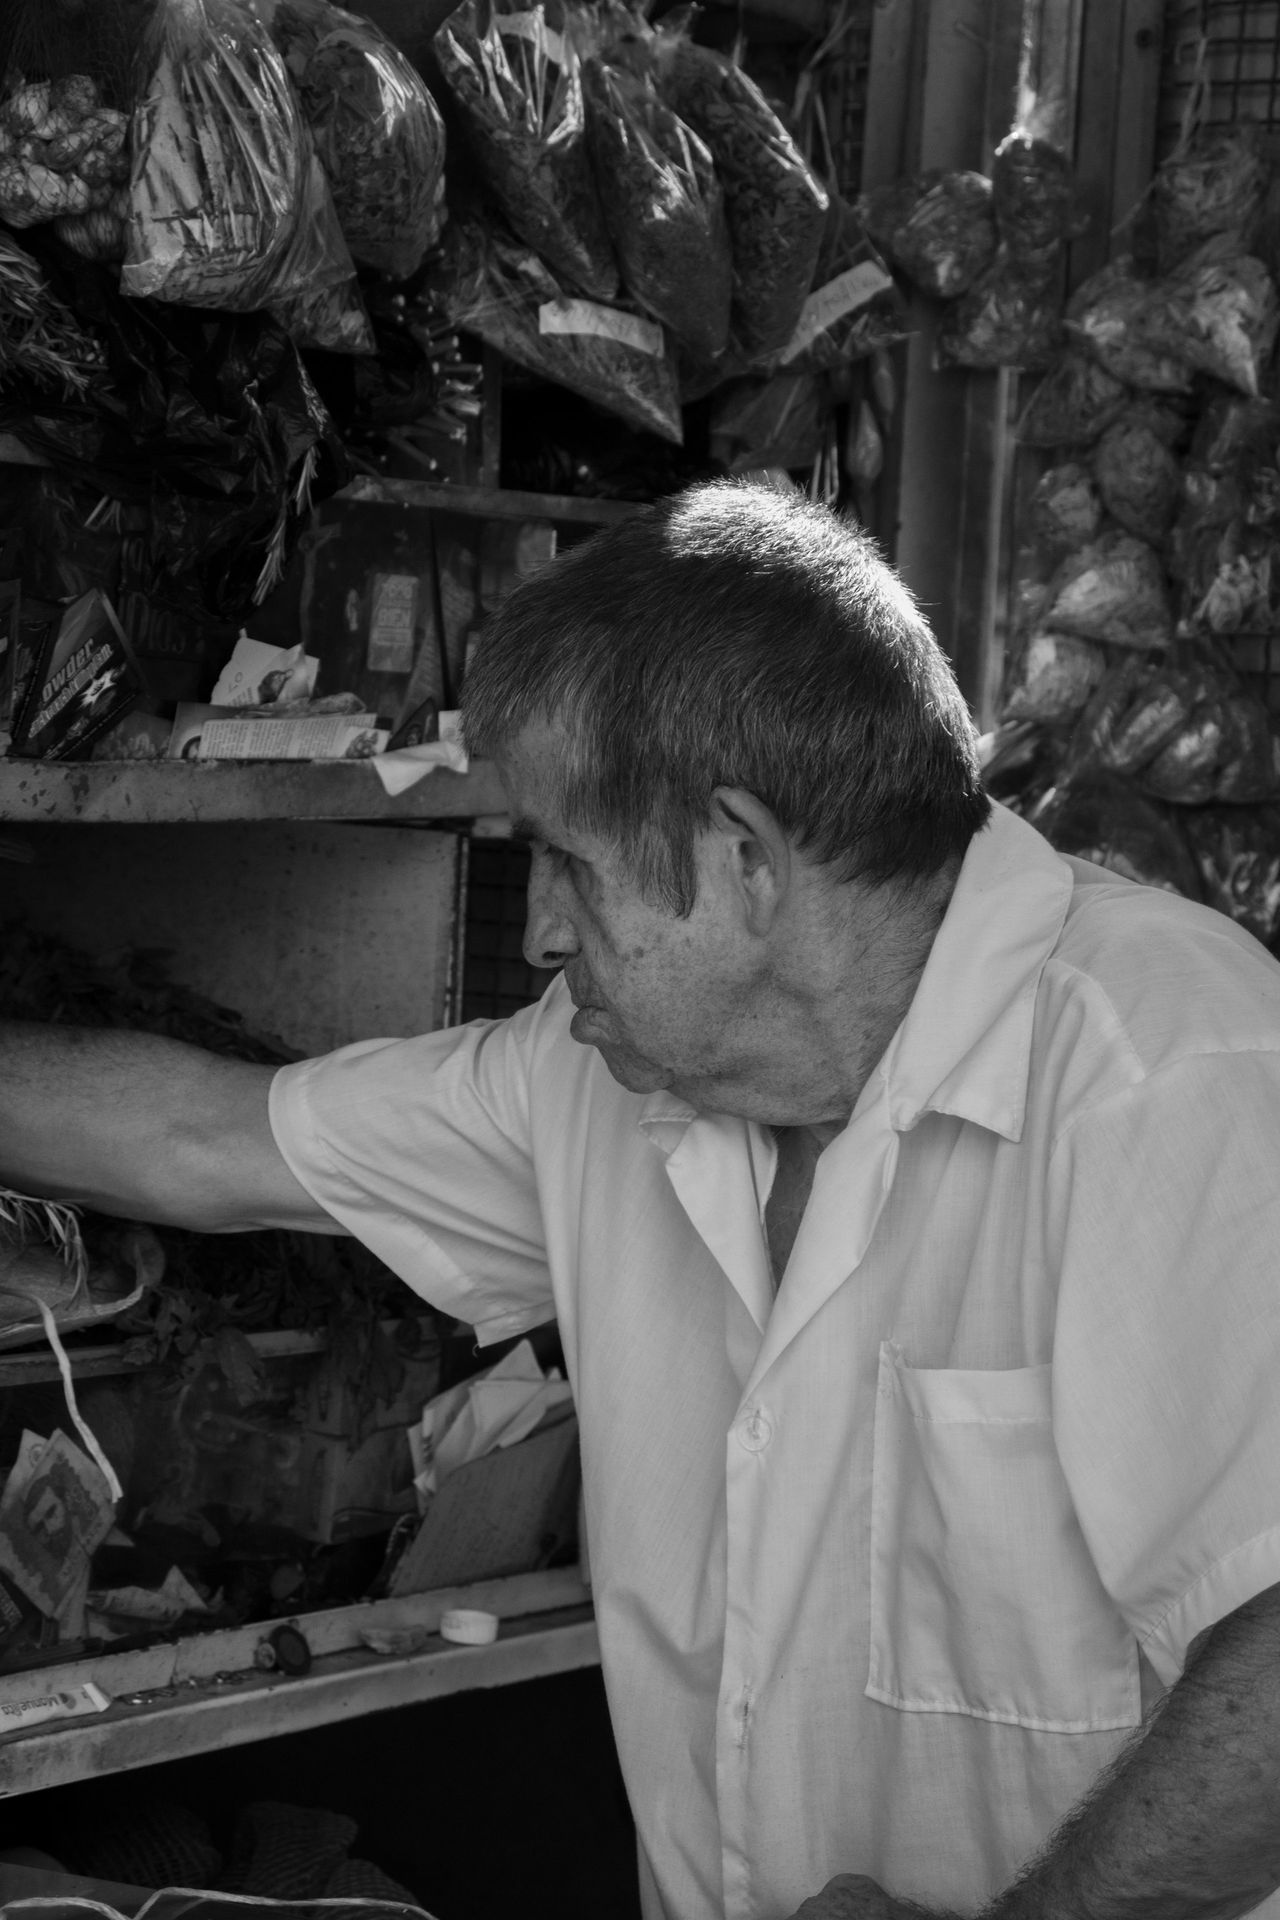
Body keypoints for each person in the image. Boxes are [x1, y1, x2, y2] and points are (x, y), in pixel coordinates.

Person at [5, 479, 1280, 1920]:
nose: (541, 933)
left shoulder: (1168, 1069)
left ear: (744, 861)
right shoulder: (609, 1074)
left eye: (570, 866)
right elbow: (201, 1141)